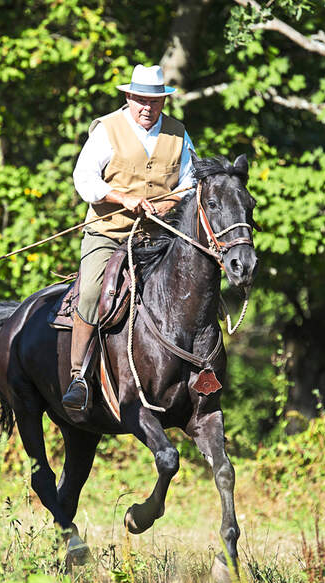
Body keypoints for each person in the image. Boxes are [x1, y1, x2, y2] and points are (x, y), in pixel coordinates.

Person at [62, 64, 197, 413]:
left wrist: (167, 203)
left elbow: (192, 182)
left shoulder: (179, 134)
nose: (146, 107)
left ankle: (198, 370)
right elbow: (84, 179)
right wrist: (123, 198)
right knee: (93, 290)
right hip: (109, 232)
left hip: (161, 236)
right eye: (140, 99)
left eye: (153, 101)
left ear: (163, 102)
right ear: (129, 97)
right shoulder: (108, 130)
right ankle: (78, 376)